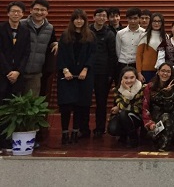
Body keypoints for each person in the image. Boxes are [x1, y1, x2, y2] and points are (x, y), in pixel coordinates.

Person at [56, 9, 95, 144]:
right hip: (67, 76)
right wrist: (65, 70)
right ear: (72, 20)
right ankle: (64, 133)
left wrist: (85, 69)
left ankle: (75, 132)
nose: (79, 21)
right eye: (76, 19)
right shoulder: (65, 35)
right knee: (66, 106)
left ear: (85, 20)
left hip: (83, 76)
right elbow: (61, 54)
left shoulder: (90, 36)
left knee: (80, 105)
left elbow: (93, 55)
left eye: (81, 19)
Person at [88, 8, 117, 138]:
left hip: (103, 73)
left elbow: (112, 55)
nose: (101, 18)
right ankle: (83, 128)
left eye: (104, 16)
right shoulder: (87, 31)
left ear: (106, 19)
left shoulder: (110, 34)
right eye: (99, 15)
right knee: (85, 101)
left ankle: (100, 128)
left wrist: (111, 73)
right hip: (87, 71)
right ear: (93, 17)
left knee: (101, 102)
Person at [20, 0, 57, 96]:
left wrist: (56, 44)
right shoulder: (21, 24)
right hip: (18, 71)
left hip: (36, 73)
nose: (39, 12)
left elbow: (52, 42)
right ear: (31, 10)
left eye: (43, 10)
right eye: (36, 9)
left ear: (47, 12)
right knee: (13, 101)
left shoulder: (50, 28)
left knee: (32, 101)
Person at [142, 62, 174, 152]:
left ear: (171, 74)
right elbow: (145, 107)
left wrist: (167, 94)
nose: (165, 73)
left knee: (167, 116)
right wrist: (150, 123)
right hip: (152, 120)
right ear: (158, 72)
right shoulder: (149, 87)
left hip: (167, 120)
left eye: (168, 72)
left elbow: (170, 109)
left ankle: (163, 146)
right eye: (163, 71)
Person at [0, 2, 30, 102]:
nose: (16, 14)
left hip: (18, 75)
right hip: (2, 72)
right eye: (13, 11)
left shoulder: (25, 31)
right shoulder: (1, 28)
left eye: (18, 12)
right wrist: (8, 71)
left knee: (15, 103)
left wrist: (18, 71)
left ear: (22, 14)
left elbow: (26, 53)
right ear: (8, 13)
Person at [108, 66, 144, 147]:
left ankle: (133, 138)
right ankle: (123, 135)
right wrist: (127, 91)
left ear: (136, 77)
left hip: (137, 116)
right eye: (126, 78)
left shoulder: (142, 88)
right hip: (123, 115)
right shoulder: (117, 90)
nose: (129, 80)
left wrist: (120, 108)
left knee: (123, 113)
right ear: (122, 78)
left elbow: (138, 108)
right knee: (112, 129)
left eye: (132, 77)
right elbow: (121, 105)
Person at [115, 7, 145, 78]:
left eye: (135, 18)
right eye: (130, 18)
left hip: (137, 65)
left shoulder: (144, 33)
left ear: (139, 18)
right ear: (127, 19)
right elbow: (118, 50)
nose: (133, 21)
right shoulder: (120, 33)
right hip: (123, 64)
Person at [136, 12, 166, 83]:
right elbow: (138, 55)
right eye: (154, 21)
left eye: (159, 21)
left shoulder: (165, 36)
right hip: (146, 71)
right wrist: (139, 73)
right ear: (151, 22)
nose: (156, 23)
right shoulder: (144, 36)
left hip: (161, 71)